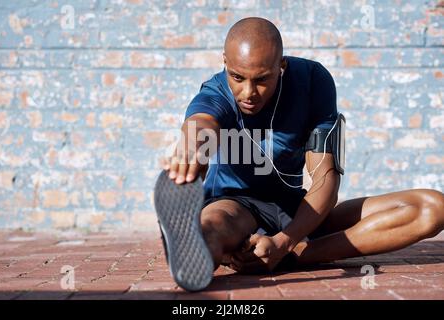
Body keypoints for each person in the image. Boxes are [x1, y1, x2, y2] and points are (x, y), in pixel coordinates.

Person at [157, 17, 444, 291]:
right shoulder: (216, 91)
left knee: (433, 207)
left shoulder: (312, 82)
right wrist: (190, 150)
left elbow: (325, 181)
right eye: (237, 77)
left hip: (293, 209)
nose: (248, 92)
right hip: (234, 205)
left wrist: (285, 243)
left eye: (262, 80)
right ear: (225, 63)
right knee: (213, 226)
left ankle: (299, 255)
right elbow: (202, 123)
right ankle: (194, 247)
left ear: (281, 67)